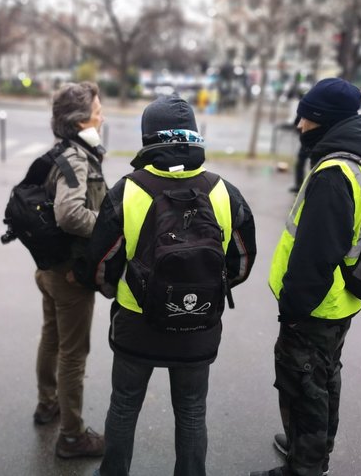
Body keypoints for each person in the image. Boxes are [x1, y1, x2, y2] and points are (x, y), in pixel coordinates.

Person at [80, 95, 256, 476]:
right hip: (198, 323)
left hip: (136, 322)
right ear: (193, 136)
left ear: (148, 139)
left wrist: (115, 291)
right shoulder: (224, 191)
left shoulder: (129, 191)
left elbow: (100, 263)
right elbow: (241, 262)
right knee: (192, 410)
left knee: (124, 405)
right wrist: (205, 291)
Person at [250, 78, 361, 476]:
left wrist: (293, 307)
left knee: (303, 384)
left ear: (323, 120)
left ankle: (304, 466)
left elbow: (315, 255)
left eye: (306, 117)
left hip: (315, 305)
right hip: (339, 300)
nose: (299, 124)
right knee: (325, 377)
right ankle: (310, 446)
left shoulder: (333, 173)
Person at [33, 82, 108, 459]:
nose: (103, 113)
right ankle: (73, 436)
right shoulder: (78, 157)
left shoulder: (63, 150)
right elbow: (69, 213)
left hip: (48, 270)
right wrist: (109, 226)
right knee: (74, 353)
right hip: (69, 276)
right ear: (82, 119)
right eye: (98, 108)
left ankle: (48, 403)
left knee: (52, 338)